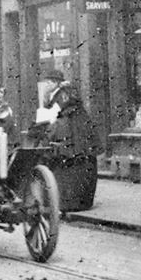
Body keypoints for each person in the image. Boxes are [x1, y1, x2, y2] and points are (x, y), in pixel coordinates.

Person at [39, 68, 100, 211]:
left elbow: (57, 111)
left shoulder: (65, 93)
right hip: (72, 133)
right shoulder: (58, 94)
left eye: (48, 82)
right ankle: (66, 201)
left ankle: (73, 202)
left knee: (74, 162)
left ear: (55, 83)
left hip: (76, 134)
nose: (46, 85)